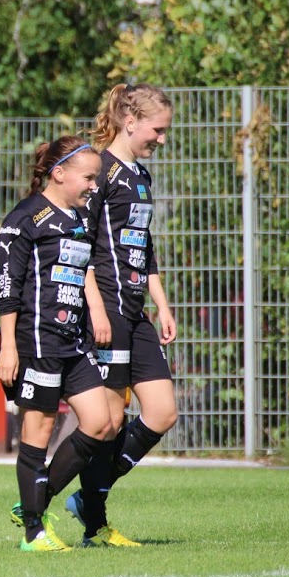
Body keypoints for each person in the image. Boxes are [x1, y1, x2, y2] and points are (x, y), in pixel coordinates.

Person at [65, 83, 178, 546]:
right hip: (107, 307)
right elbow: (81, 245)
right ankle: (91, 519)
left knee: (163, 412)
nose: (162, 139)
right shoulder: (102, 171)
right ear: (130, 122)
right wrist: (94, 306)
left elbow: (143, 246)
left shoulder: (140, 176)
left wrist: (162, 304)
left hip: (136, 310)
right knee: (109, 419)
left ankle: (88, 497)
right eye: (157, 130)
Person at [0, 136, 113, 552]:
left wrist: (96, 310)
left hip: (73, 340)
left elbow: (83, 271)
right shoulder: (25, 218)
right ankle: (34, 532)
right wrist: (8, 347)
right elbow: (8, 287)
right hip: (37, 341)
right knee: (39, 429)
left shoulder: (79, 217)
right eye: (88, 178)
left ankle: (35, 501)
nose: (93, 186)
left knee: (100, 422)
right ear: (59, 173)